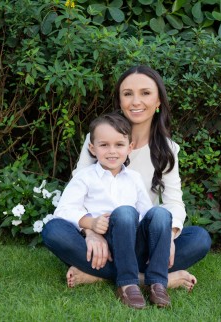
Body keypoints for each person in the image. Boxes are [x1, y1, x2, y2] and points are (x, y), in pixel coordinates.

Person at [42, 65, 211, 301]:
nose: (136, 101)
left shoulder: (167, 149)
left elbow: (173, 204)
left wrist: (168, 239)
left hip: (140, 238)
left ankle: (108, 275)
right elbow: (76, 196)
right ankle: (152, 278)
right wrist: (90, 233)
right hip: (100, 238)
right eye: (127, 93)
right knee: (53, 231)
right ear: (119, 100)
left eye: (145, 93)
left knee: (199, 239)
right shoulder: (99, 138)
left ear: (158, 100)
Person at [50, 112, 172, 309]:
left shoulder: (134, 178)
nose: (112, 151)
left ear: (129, 147)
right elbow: (63, 210)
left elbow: (149, 215)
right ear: (92, 148)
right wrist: (91, 224)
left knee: (176, 224)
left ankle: (157, 282)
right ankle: (128, 283)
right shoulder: (85, 177)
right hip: (102, 247)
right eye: (104, 145)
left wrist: (164, 238)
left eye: (119, 145)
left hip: (133, 246)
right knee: (53, 230)